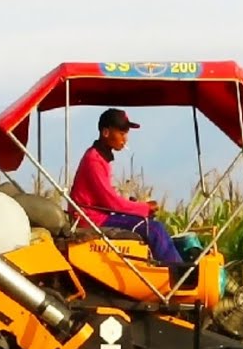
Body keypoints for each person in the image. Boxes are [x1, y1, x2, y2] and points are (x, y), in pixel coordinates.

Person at [69, 108, 182, 264]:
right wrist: (144, 208)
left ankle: (165, 266)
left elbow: (107, 200)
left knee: (155, 228)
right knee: (155, 229)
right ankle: (180, 275)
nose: (125, 139)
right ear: (106, 133)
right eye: (121, 134)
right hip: (92, 219)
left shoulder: (100, 158)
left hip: (99, 216)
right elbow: (112, 203)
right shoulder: (93, 161)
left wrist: (136, 207)